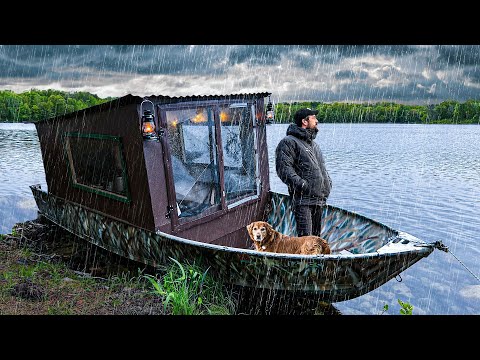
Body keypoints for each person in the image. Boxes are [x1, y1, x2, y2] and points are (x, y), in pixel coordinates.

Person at [275, 108, 332, 238]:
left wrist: (327, 184)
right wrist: (303, 186)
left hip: (319, 199)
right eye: (313, 118)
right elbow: (284, 170)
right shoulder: (288, 142)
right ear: (304, 121)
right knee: (306, 241)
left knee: (316, 240)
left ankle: (316, 259)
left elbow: (322, 168)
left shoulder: (314, 145)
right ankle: (305, 259)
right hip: (303, 201)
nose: (317, 121)